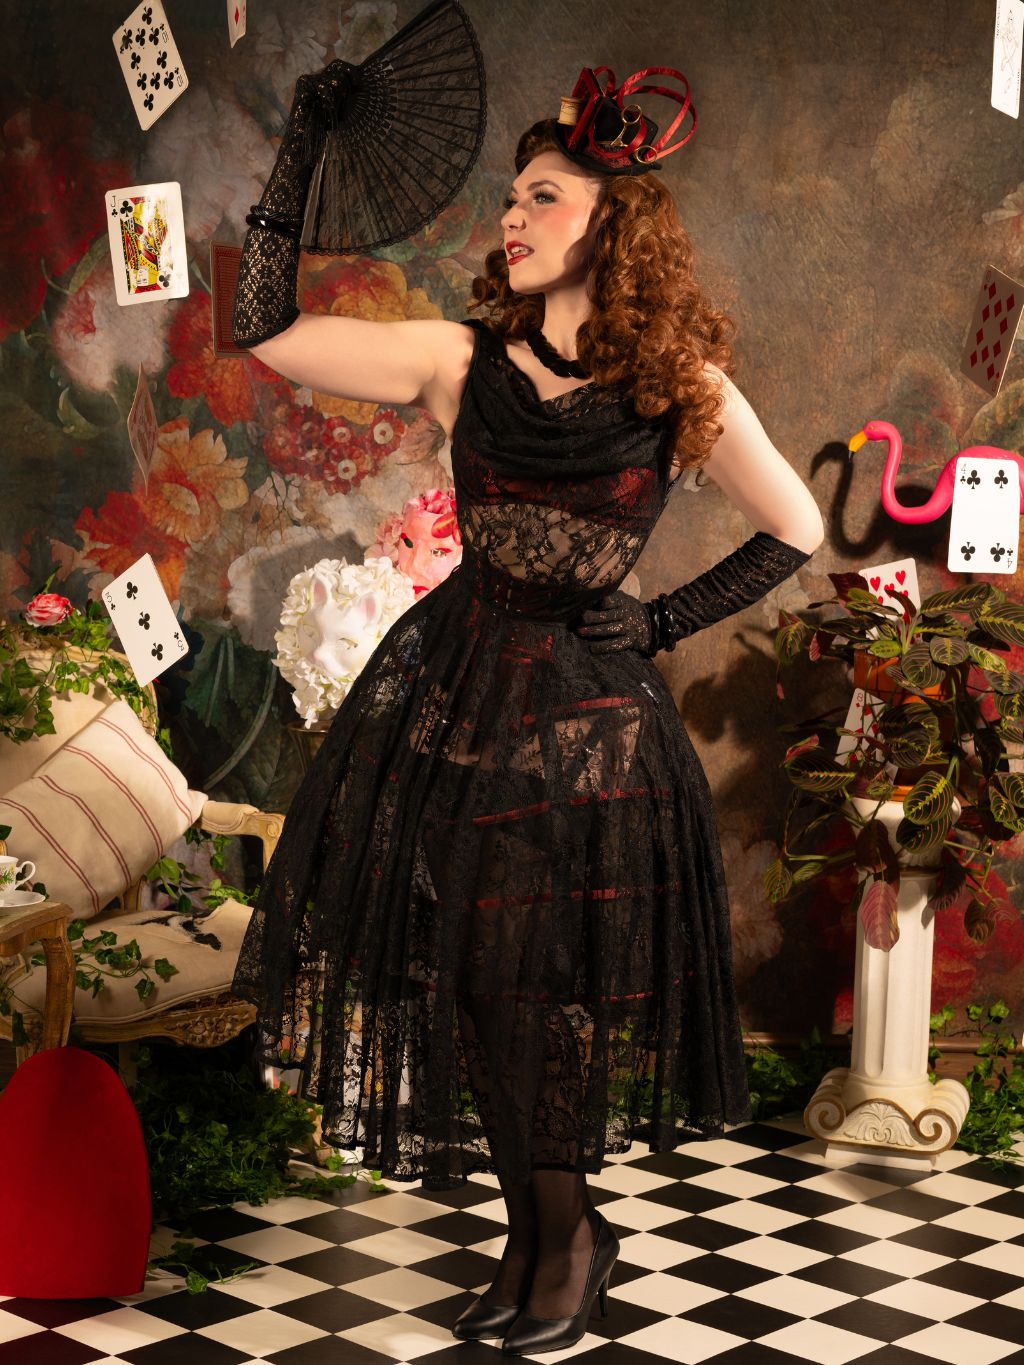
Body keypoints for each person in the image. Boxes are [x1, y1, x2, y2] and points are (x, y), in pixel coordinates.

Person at [230, 56, 823, 1356]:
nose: (514, 217)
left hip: (595, 732)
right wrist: (300, 148)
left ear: (616, 219)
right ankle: (548, 1232)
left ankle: (563, 1242)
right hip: (462, 703)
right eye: (514, 198)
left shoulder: (680, 383)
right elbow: (266, 328)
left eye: (543, 196)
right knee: (484, 987)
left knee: (539, 986)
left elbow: (799, 523)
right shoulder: (457, 358)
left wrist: (660, 619)